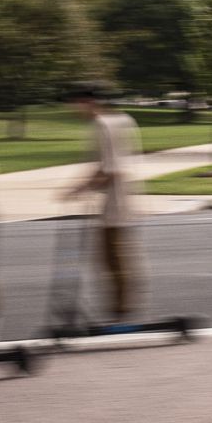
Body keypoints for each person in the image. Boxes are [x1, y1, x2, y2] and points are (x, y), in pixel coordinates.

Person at [63, 82, 143, 322]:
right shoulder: (122, 119)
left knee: (112, 254)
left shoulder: (102, 124)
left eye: (77, 102)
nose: (75, 108)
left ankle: (122, 310)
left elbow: (109, 168)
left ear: (89, 101)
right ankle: (122, 307)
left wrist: (81, 188)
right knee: (116, 253)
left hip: (114, 197)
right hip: (124, 193)